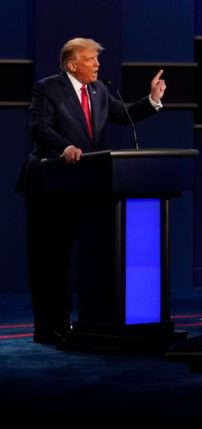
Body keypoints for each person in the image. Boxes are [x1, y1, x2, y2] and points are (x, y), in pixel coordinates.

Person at [17, 37, 167, 345]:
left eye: (97, 59)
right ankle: (47, 328)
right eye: (90, 59)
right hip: (49, 184)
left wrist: (151, 100)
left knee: (78, 259)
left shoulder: (98, 91)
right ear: (72, 64)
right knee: (51, 260)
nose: (97, 64)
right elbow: (39, 127)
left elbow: (122, 114)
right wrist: (65, 147)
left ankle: (72, 322)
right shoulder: (47, 88)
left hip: (84, 185)